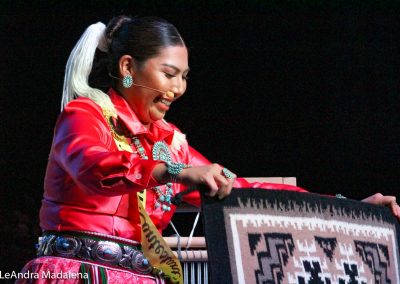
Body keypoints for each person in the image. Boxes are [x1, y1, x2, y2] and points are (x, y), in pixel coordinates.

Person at [18, 15, 399, 284]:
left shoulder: (171, 146)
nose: (179, 88)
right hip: (73, 274)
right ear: (128, 66)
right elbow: (93, 166)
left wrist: (351, 207)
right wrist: (175, 172)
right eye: (168, 74)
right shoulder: (85, 113)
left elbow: (245, 192)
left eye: (184, 77)